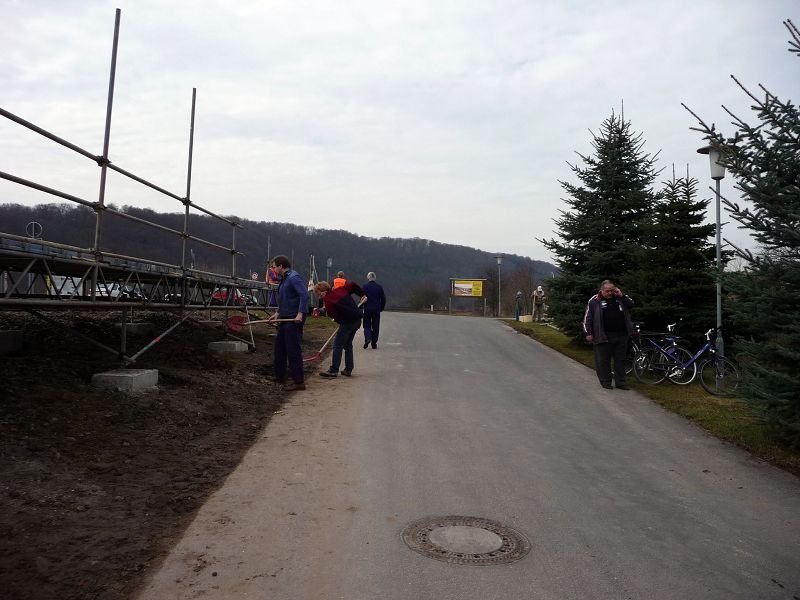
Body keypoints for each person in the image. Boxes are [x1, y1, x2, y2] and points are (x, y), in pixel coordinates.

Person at [582, 280, 635, 390]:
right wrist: (588, 333)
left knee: (620, 360)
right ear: (601, 290)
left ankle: (621, 382)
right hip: (603, 335)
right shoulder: (594, 300)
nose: (610, 293)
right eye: (607, 291)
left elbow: (631, 305)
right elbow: (588, 318)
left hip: (621, 334)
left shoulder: (620, 298)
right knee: (603, 360)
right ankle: (605, 381)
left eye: (612, 290)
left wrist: (621, 295)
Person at [267, 255, 308, 391]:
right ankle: (280, 376)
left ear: (280, 266)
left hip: (293, 319)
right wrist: (277, 313)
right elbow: (285, 299)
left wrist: (300, 313)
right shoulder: (284, 279)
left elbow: (304, 295)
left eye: (274, 267)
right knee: (280, 348)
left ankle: (298, 381)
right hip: (284, 318)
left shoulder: (294, 277)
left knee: (293, 350)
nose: (273, 269)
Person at [314, 280, 367, 377]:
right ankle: (348, 369)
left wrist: (340, 321)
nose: (319, 296)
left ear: (324, 291)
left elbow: (333, 315)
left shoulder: (328, 300)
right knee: (347, 345)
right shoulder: (340, 290)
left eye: (319, 294)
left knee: (337, 345)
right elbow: (353, 284)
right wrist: (362, 294)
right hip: (357, 319)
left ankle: (333, 370)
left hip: (348, 322)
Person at [362, 271, 386, 349]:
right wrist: (381, 307)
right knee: (376, 326)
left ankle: (368, 338)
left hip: (367, 309)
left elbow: (362, 299)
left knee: (366, 324)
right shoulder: (379, 287)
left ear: (368, 278)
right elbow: (383, 299)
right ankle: (374, 343)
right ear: (375, 278)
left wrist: (361, 307)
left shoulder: (364, 287)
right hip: (376, 309)